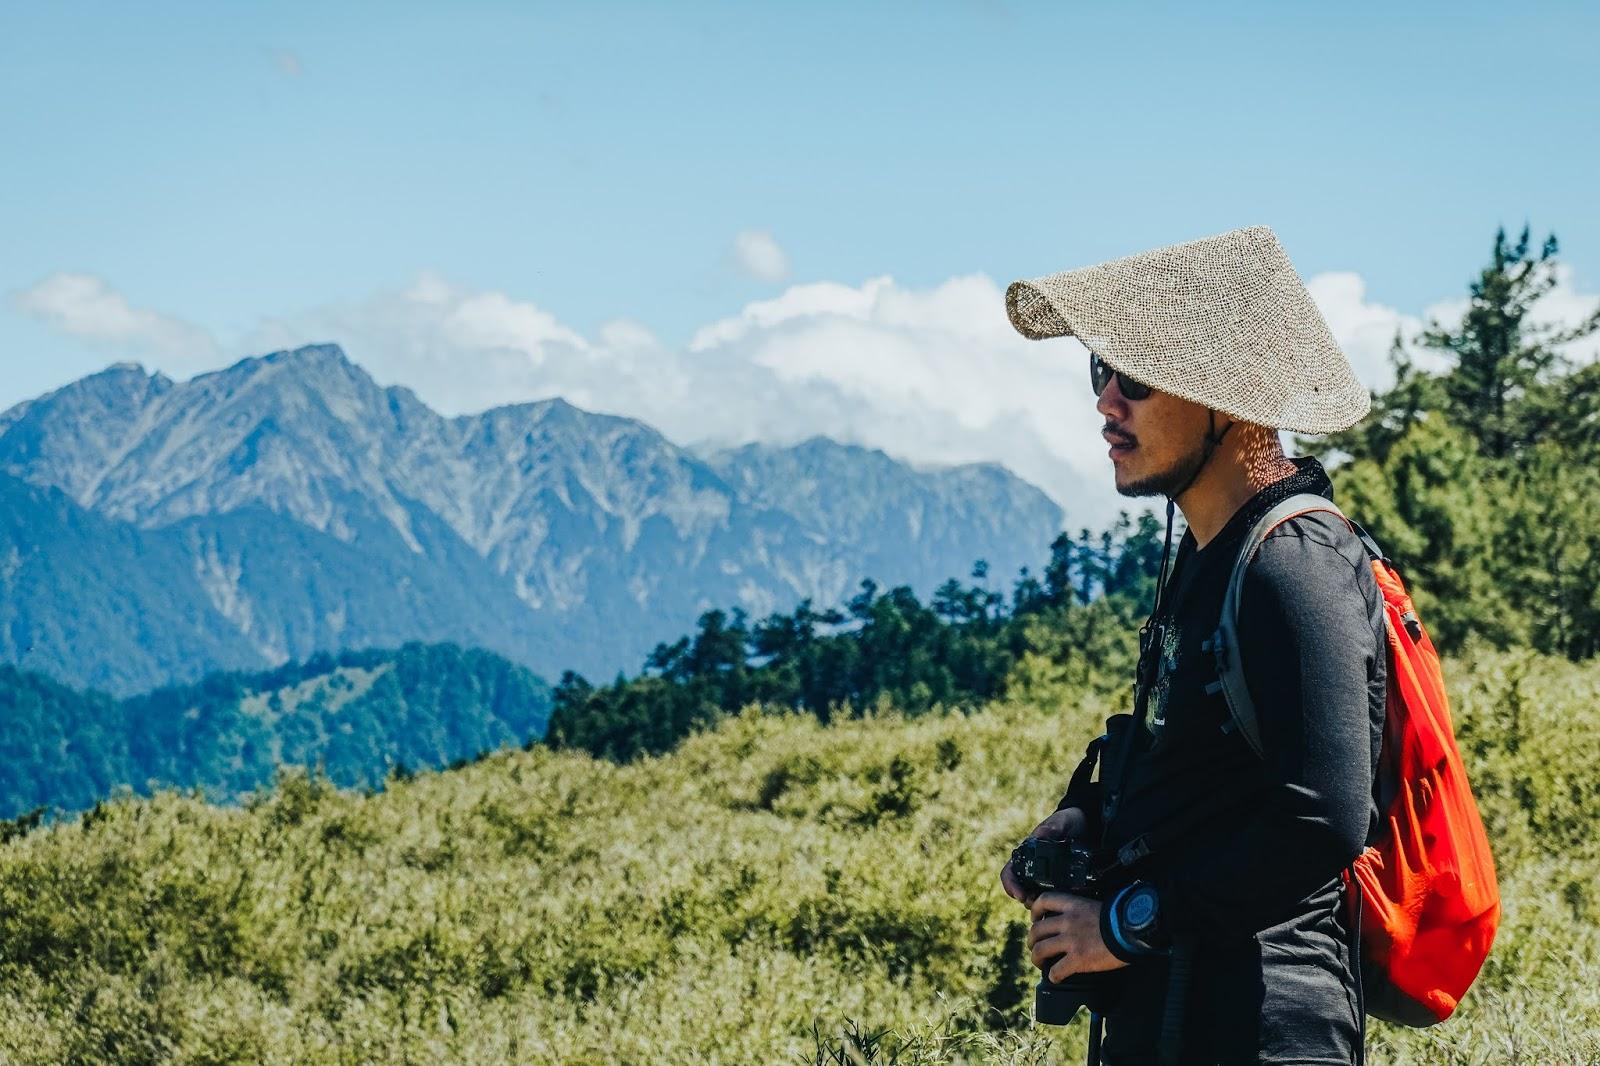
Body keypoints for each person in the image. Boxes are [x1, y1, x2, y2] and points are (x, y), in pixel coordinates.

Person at [997, 225, 1387, 1065]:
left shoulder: (1295, 565)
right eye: (1099, 371)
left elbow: (1321, 818)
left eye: (1134, 378)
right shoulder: (1216, 555)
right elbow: (1202, 761)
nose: (1106, 403)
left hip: (1263, 1028)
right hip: (1181, 1019)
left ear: (1226, 397)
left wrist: (1127, 925)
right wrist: (1086, 815)